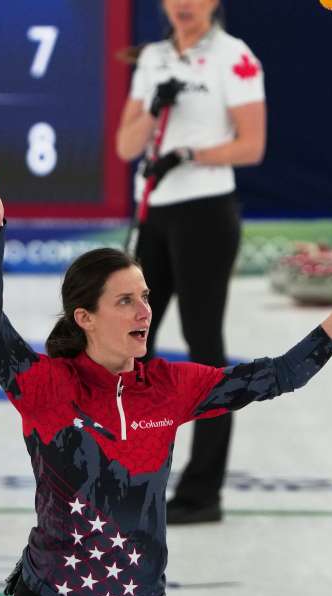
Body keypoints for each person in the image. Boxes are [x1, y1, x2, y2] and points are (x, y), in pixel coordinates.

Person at [0, 150, 332, 596]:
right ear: (85, 318)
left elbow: (281, 375)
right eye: (125, 301)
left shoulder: (171, 388)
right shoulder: (46, 386)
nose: (145, 310)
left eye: (145, 297)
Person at [114, 0, 266, 523]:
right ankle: (130, 474)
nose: (183, 4)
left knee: (204, 350)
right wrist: (155, 108)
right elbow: (124, 145)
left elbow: (252, 145)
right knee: (130, 347)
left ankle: (203, 493)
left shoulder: (234, 56)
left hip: (205, 213)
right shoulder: (153, 57)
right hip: (152, 212)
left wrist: (188, 154)